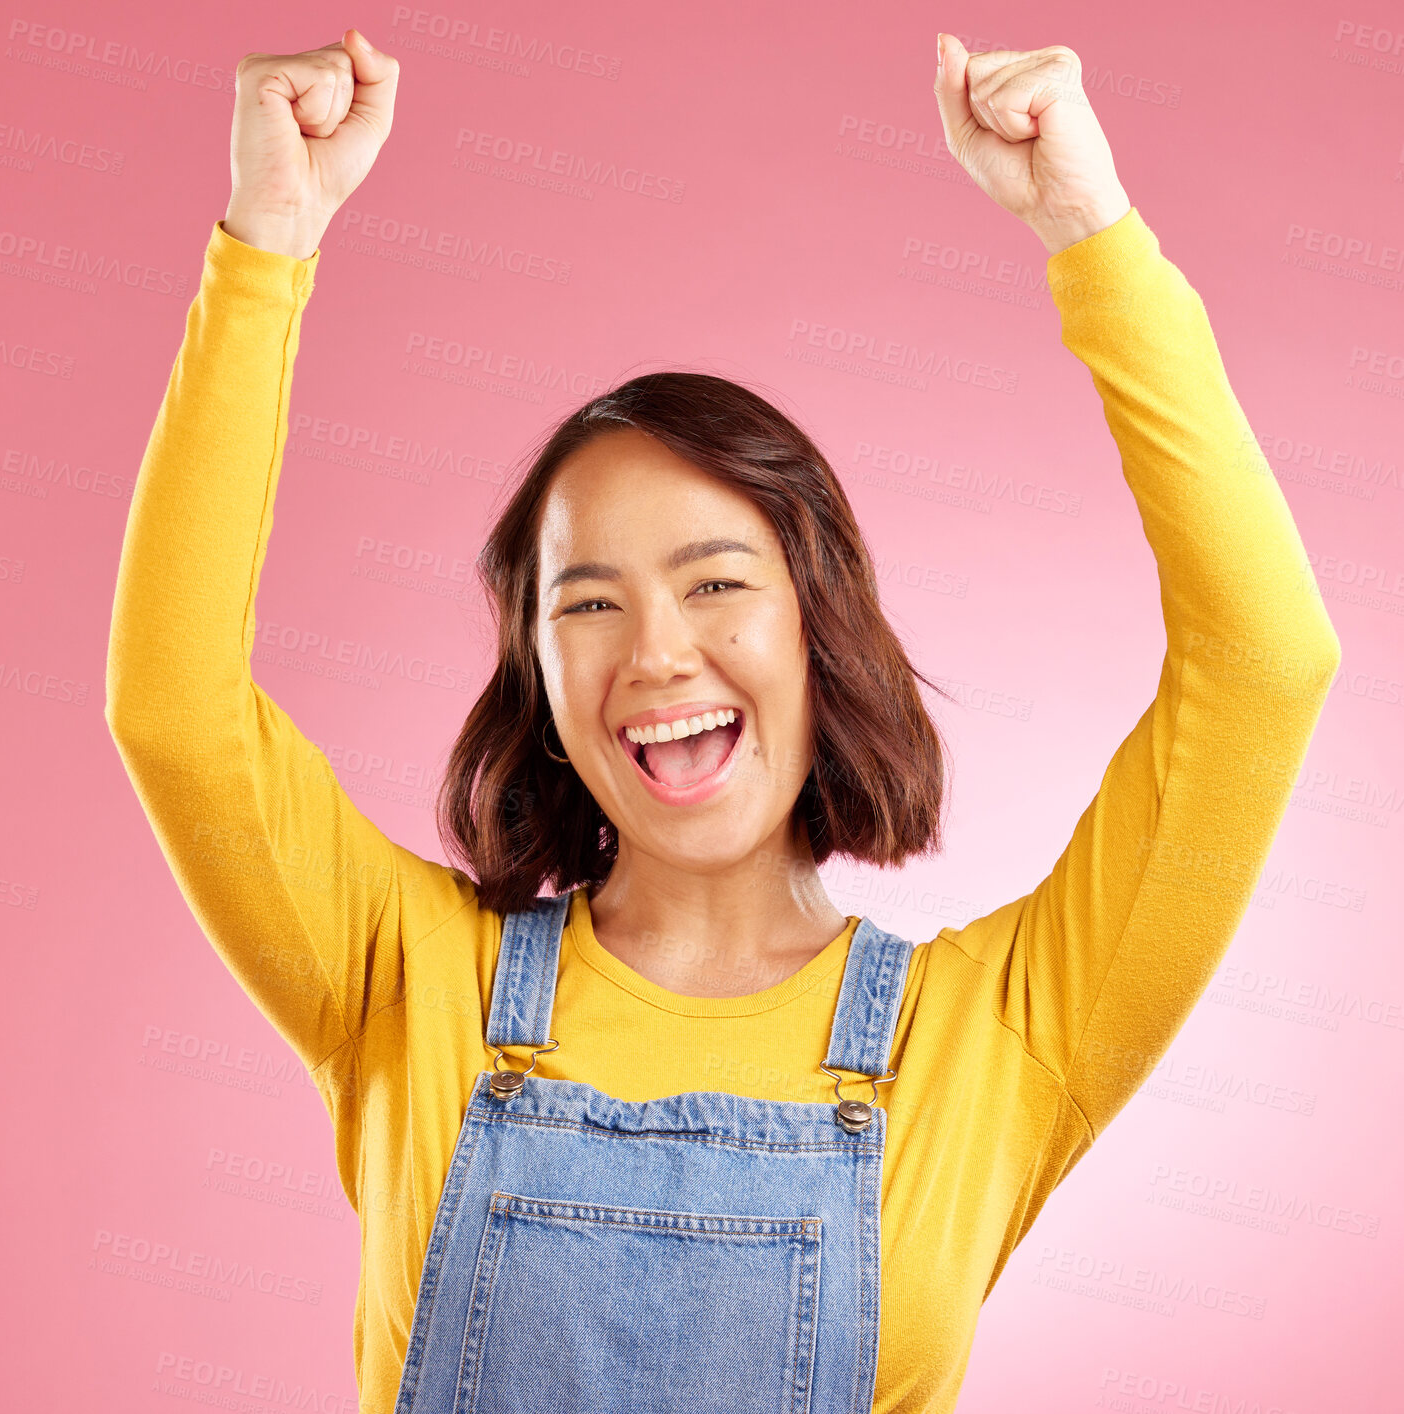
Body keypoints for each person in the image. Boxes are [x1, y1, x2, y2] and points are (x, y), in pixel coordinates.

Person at [104, 26, 1341, 1414]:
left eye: (715, 582)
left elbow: (1263, 665)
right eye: (587, 604)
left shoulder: (1000, 1034)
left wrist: (1088, 234)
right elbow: (172, 703)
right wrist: (266, 245)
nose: (657, 652)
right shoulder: (403, 982)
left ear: (822, 626)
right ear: (538, 678)